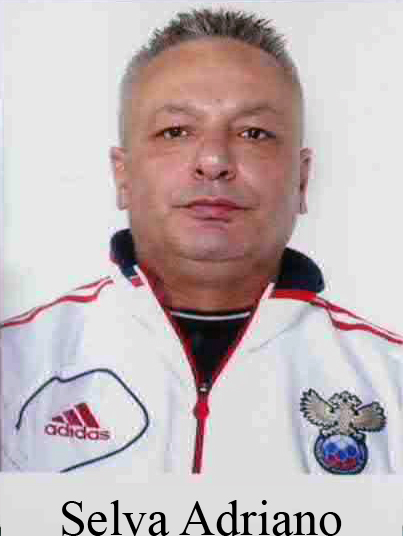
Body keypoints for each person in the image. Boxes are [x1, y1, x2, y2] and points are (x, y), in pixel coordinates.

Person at [2, 7, 402, 475]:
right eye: (175, 131)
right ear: (123, 175)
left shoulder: (390, 380)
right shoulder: (15, 367)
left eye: (254, 133)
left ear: (301, 179)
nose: (213, 160)